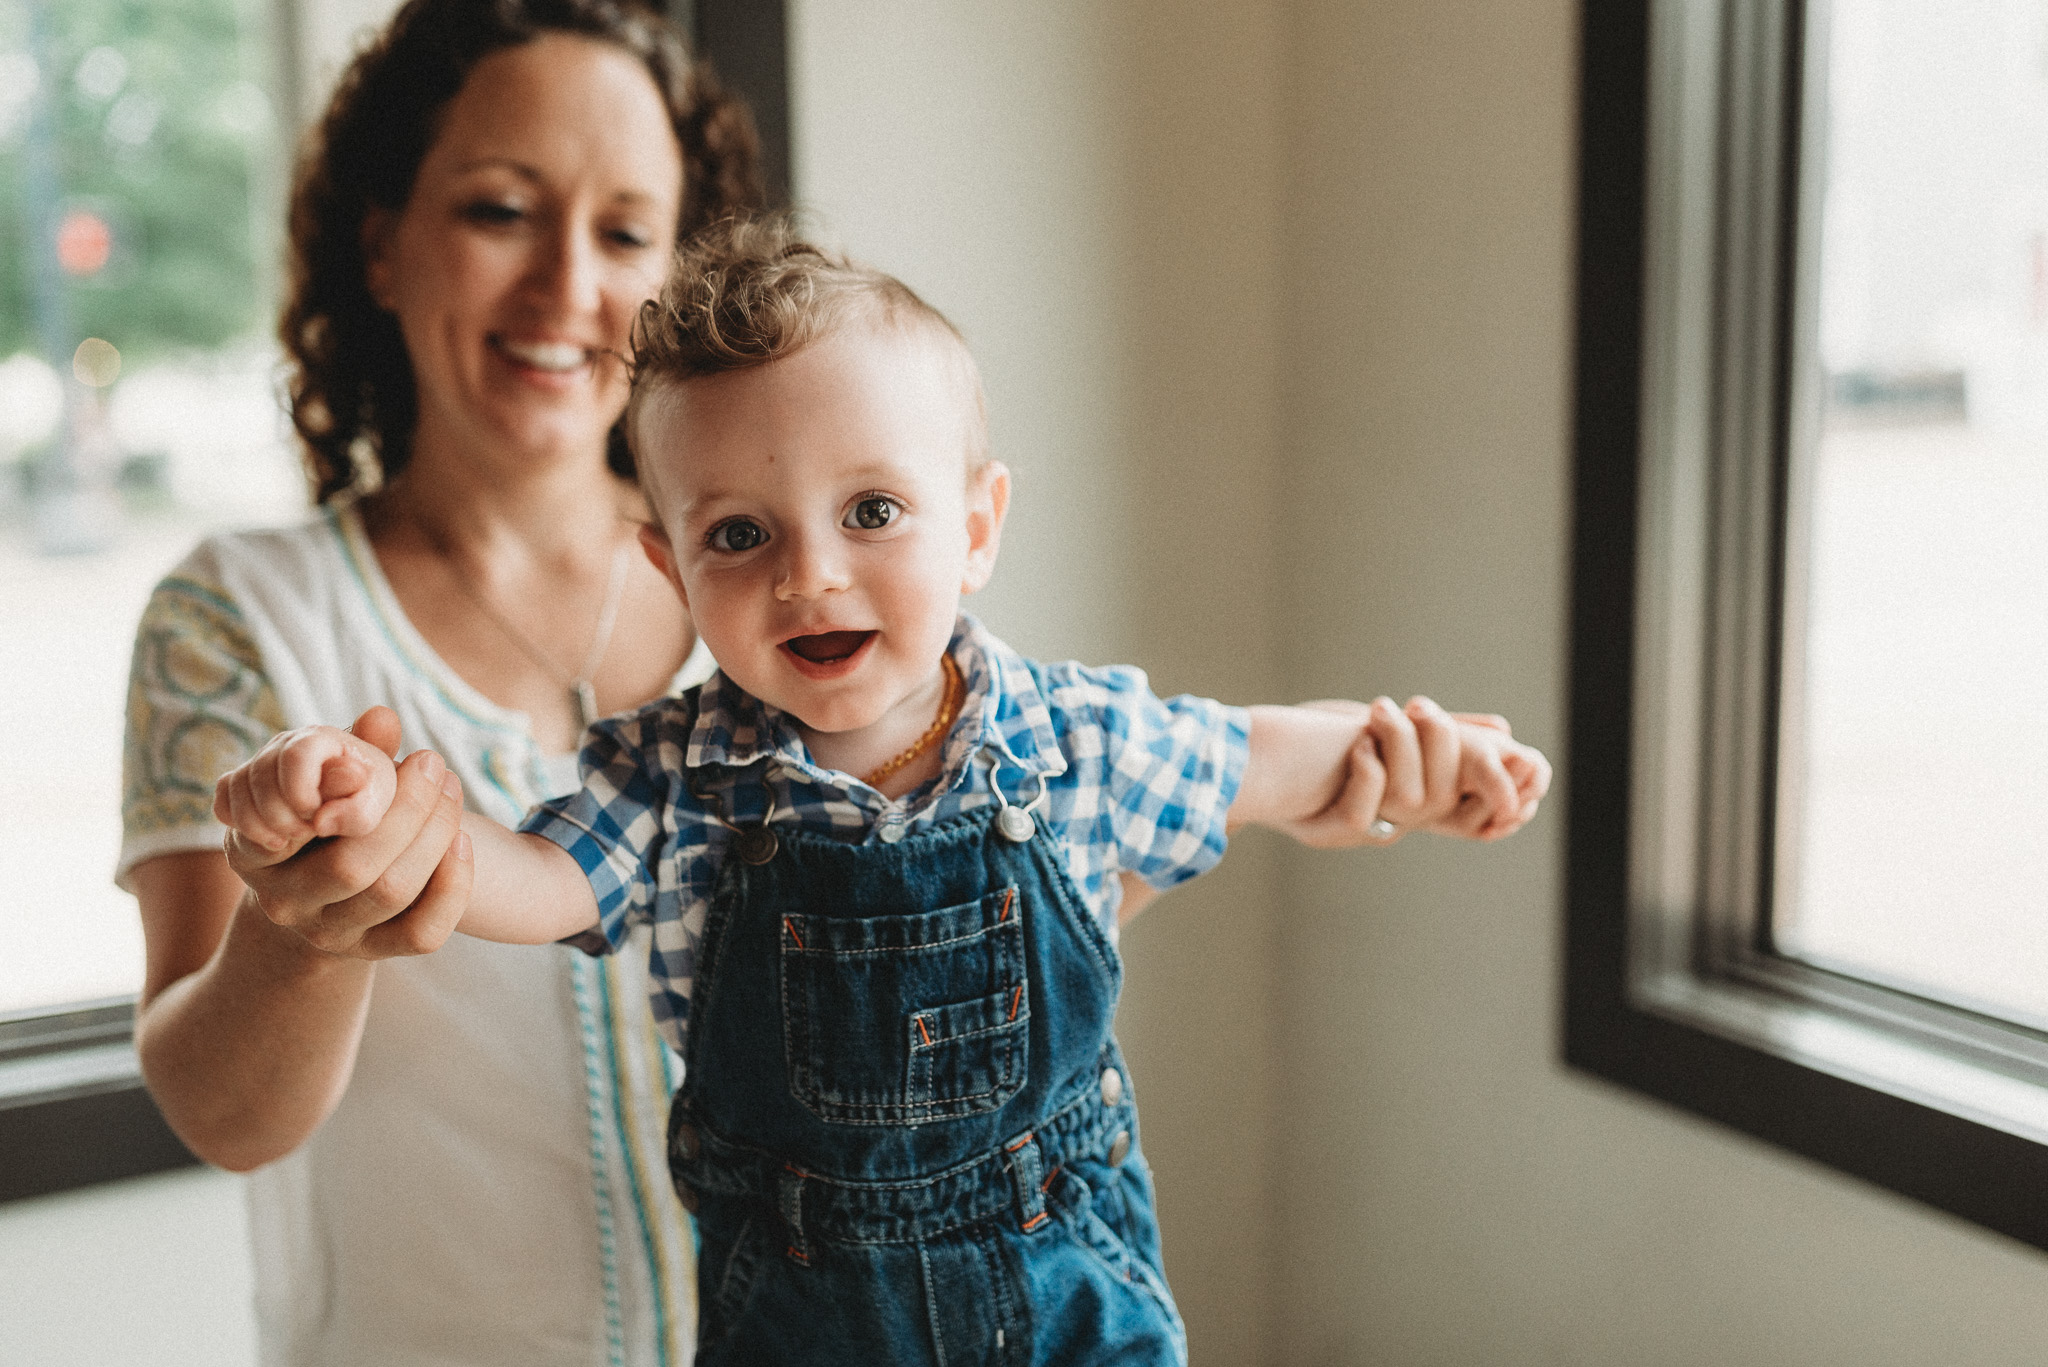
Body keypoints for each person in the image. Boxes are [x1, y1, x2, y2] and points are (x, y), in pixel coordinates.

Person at [213, 216, 1551, 1366]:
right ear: (672, 574)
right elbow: (541, 879)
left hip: (1063, 1306)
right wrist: (402, 823)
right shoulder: (674, 782)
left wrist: (1404, 755)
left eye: (872, 512)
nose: (811, 576)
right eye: (739, 534)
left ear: (975, 527)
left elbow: (1260, 755)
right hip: (801, 1319)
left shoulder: (1075, 742)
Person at [119, 2, 760, 1363]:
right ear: (384, 244)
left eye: (628, 232)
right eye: (500, 210)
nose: (568, 287)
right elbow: (222, 1114)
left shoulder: (780, 581)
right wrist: (301, 931)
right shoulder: (234, 618)